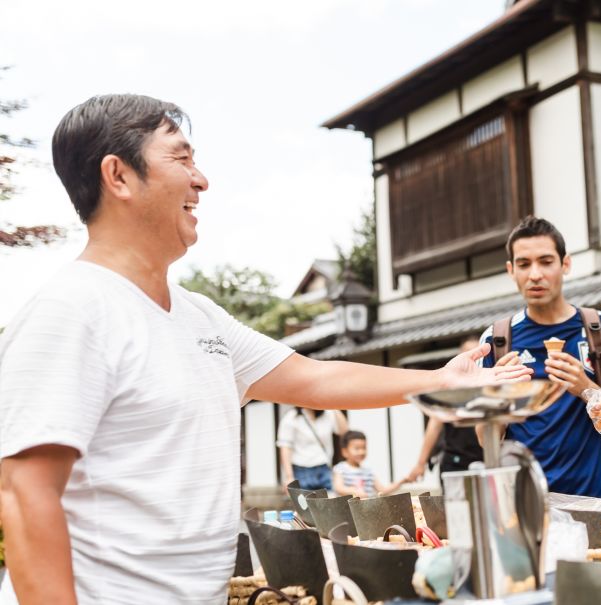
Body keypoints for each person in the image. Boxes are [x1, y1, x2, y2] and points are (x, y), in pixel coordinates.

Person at [0, 94, 530, 604]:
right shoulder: (71, 310)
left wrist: (442, 379)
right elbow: (25, 495)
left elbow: (315, 379)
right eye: (181, 158)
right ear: (118, 176)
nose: (201, 180)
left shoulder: (198, 316)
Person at [478, 216, 601, 499]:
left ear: (565, 264)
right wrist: (499, 399)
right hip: (523, 502)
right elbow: (484, 440)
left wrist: (587, 389)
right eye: (524, 264)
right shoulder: (495, 340)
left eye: (546, 261)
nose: (535, 274)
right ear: (511, 270)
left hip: (592, 499)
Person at [407, 338, 488, 484]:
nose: (474, 356)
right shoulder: (451, 389)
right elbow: (434, 426)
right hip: (455, 460)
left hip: (487, 460)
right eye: (468, 352)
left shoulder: (489, 386)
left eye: (478, 351)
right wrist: (420, 463)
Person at [277, 407, 348, 491]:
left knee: (328, 502)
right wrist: (289, 477)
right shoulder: (292, 417)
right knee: (304, 503)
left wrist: (332, 406)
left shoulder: (329, 414)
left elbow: (344, 431)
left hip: (324, 467)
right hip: (301, 470)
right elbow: (285, 447)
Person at [333, 430, 402, 498]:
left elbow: (382, 490)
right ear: (345, 452)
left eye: (364, 448)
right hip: (346, 508)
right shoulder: (340, 468)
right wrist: (354, 492)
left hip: (366, 508)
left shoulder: (368, 472)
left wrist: (403, 481)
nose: (361, 452)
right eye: (357, 449)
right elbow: (339, 488)